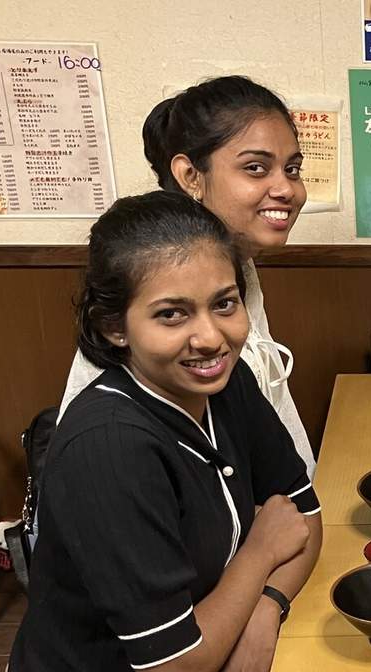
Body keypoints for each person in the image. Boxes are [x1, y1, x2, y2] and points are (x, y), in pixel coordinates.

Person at [0, 190, 323, 672]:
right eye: (172, 314)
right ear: (116, 327)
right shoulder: (109, 447)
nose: (210, 336)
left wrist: (264, 614)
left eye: (224, 304)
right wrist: (260, 553)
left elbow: (305, 520)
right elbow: (176, 669)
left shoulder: (224, 383)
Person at [60, 75, 315, 474]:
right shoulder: (149, 274)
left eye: (292, 169)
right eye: (256, 168)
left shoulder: (238, 263)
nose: (286, 189)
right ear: (191, 176)